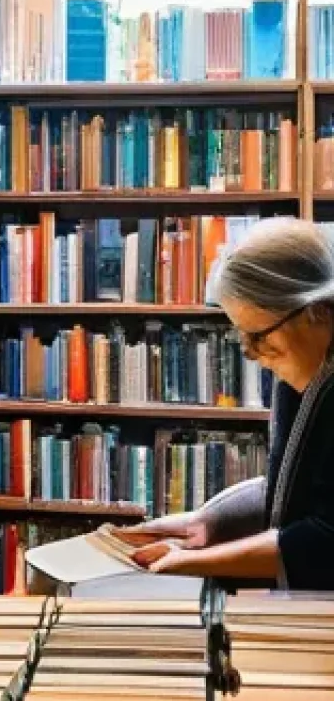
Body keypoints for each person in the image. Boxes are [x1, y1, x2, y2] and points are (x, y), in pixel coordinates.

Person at [119, 218, 334, 590]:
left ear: (318, 310)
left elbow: (327, 539)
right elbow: (293, 491)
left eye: (259, 336)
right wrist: (209, 523)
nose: (250, 353)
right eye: (241, 335)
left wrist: (191, 561)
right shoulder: (307, 368)